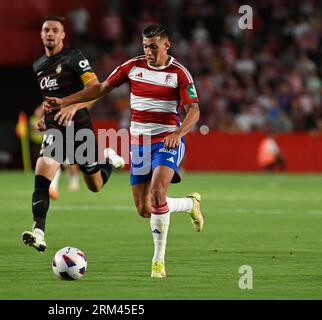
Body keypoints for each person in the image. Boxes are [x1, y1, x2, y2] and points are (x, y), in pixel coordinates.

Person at [45, 24, 205, 278]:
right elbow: (100, 88)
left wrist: (177, 133)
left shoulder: (179, 74)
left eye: (153, 46)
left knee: (157, 191)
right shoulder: (132, 67)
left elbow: (194, 111)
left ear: (166, 45)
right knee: (145, 209)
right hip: (139, 144)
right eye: (145, 46)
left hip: (167, 141)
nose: (149, 51)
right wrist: (65, 101)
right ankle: (189, 204)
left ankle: (158, 264)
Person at [21, 16, 125, 252]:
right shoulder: (38, 65)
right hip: (55, 130)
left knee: (95, 185)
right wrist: (43, 117)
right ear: (41, 34)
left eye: (54, 30)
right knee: (41, 180)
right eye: (46, 29)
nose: (50, 33)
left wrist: (72, 106)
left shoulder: (73, 57)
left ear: (62, 35)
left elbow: (96, 89)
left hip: (79, 127)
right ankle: (38, 231)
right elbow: (49, 97)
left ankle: (107, 158)